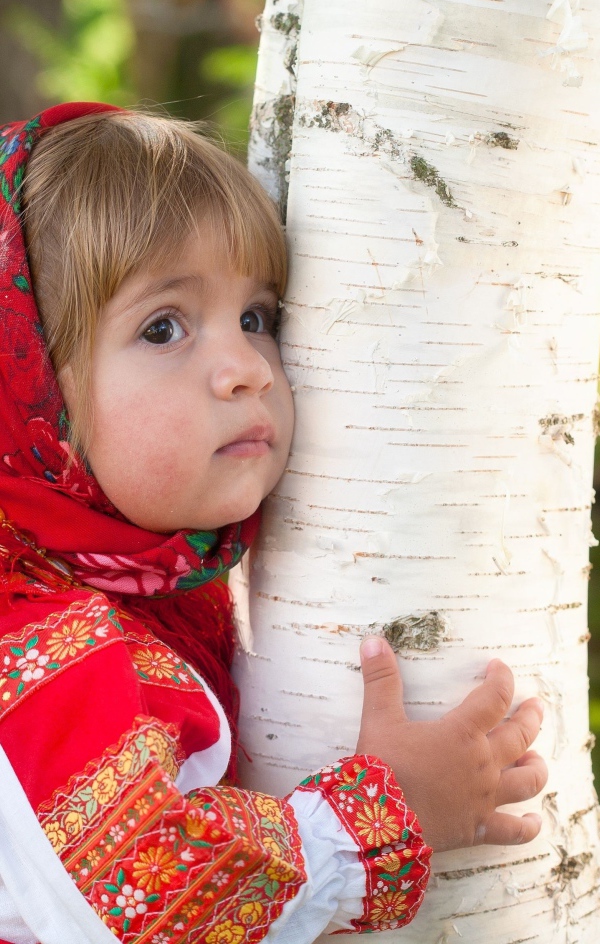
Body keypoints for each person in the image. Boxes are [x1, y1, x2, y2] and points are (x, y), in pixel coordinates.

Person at [0, 102, 547, 944]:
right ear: (27, 389)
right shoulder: (35, 644)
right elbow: (141, 905)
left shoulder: (149, 600)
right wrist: (387, 813)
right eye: (163, 327)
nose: (247, 369)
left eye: (257, 317)